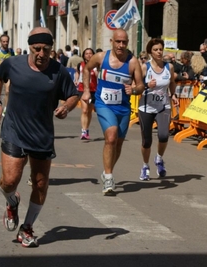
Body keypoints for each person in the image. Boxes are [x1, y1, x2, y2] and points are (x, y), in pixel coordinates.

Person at [0, 27, 79, 247]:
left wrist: (66, 106)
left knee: (40, 183)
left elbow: (73, 94)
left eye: (46, 49)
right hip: (13, 130)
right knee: (9, 181)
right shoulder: (12, 64)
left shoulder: (58, 71)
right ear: (29, 47)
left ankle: (26, 228)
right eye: (37, 49)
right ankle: (12, 201)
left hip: (42, 135)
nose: (42, 53)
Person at [81, 29, 145, 195]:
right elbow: (87, 69)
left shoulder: (132, 62)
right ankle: (109, 177)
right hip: (104, 104)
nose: (121, 45)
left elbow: (140, 86)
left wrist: (134, 90)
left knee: (118, 143)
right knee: (111, 136)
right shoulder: (101, 57)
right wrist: (87, 90)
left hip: (123, 107)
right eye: (118, 42)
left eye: (124, 42)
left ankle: (106, 171)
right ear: (112, 41)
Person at [138, 38, 179, 181]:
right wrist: (146, 85)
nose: (159, 52)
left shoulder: (169, 67)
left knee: (163, 135)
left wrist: (173, 95)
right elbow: (135, 85)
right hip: (146, 107)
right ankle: (145, 166)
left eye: (161, 49)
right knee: (146, 141)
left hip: (163, 106)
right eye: (156, 50)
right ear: (150, 52)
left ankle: (159, 159)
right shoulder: (144, 67)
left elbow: (172, 82)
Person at [75, 48, 97, 140]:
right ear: (84, 55)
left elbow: (98, 75)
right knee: (84, 110)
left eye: (90, 53)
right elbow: (77, 72)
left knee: (89, 111)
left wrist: (96, 72)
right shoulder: (81, 64)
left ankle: (87, 129)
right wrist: (76, 79)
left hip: (93, 90)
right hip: (82, 89)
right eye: (86, 53)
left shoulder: (96, 65)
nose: (88, 55)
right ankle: (83, 131)